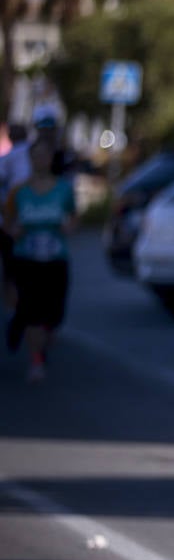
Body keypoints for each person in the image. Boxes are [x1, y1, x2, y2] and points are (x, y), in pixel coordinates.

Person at [3, 136, 77, 382]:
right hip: (28, 258)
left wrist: (69, 226)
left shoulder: (64, 189)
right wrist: (14, 231)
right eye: (35, 156)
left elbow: (73, 217)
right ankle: (36, 360)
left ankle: (42, 333)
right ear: (30, 159)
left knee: (54, 313)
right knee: (33, 309)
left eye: (44, 155)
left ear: (50, 159)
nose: (40, 160)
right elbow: (8, 222)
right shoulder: (19, 192)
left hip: (55, 258)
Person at [0, 123, 32, 311]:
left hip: (10, 222)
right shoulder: (34, 155)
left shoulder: (7, 158)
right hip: (33, 219)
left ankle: (11, 307)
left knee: (10, 270)